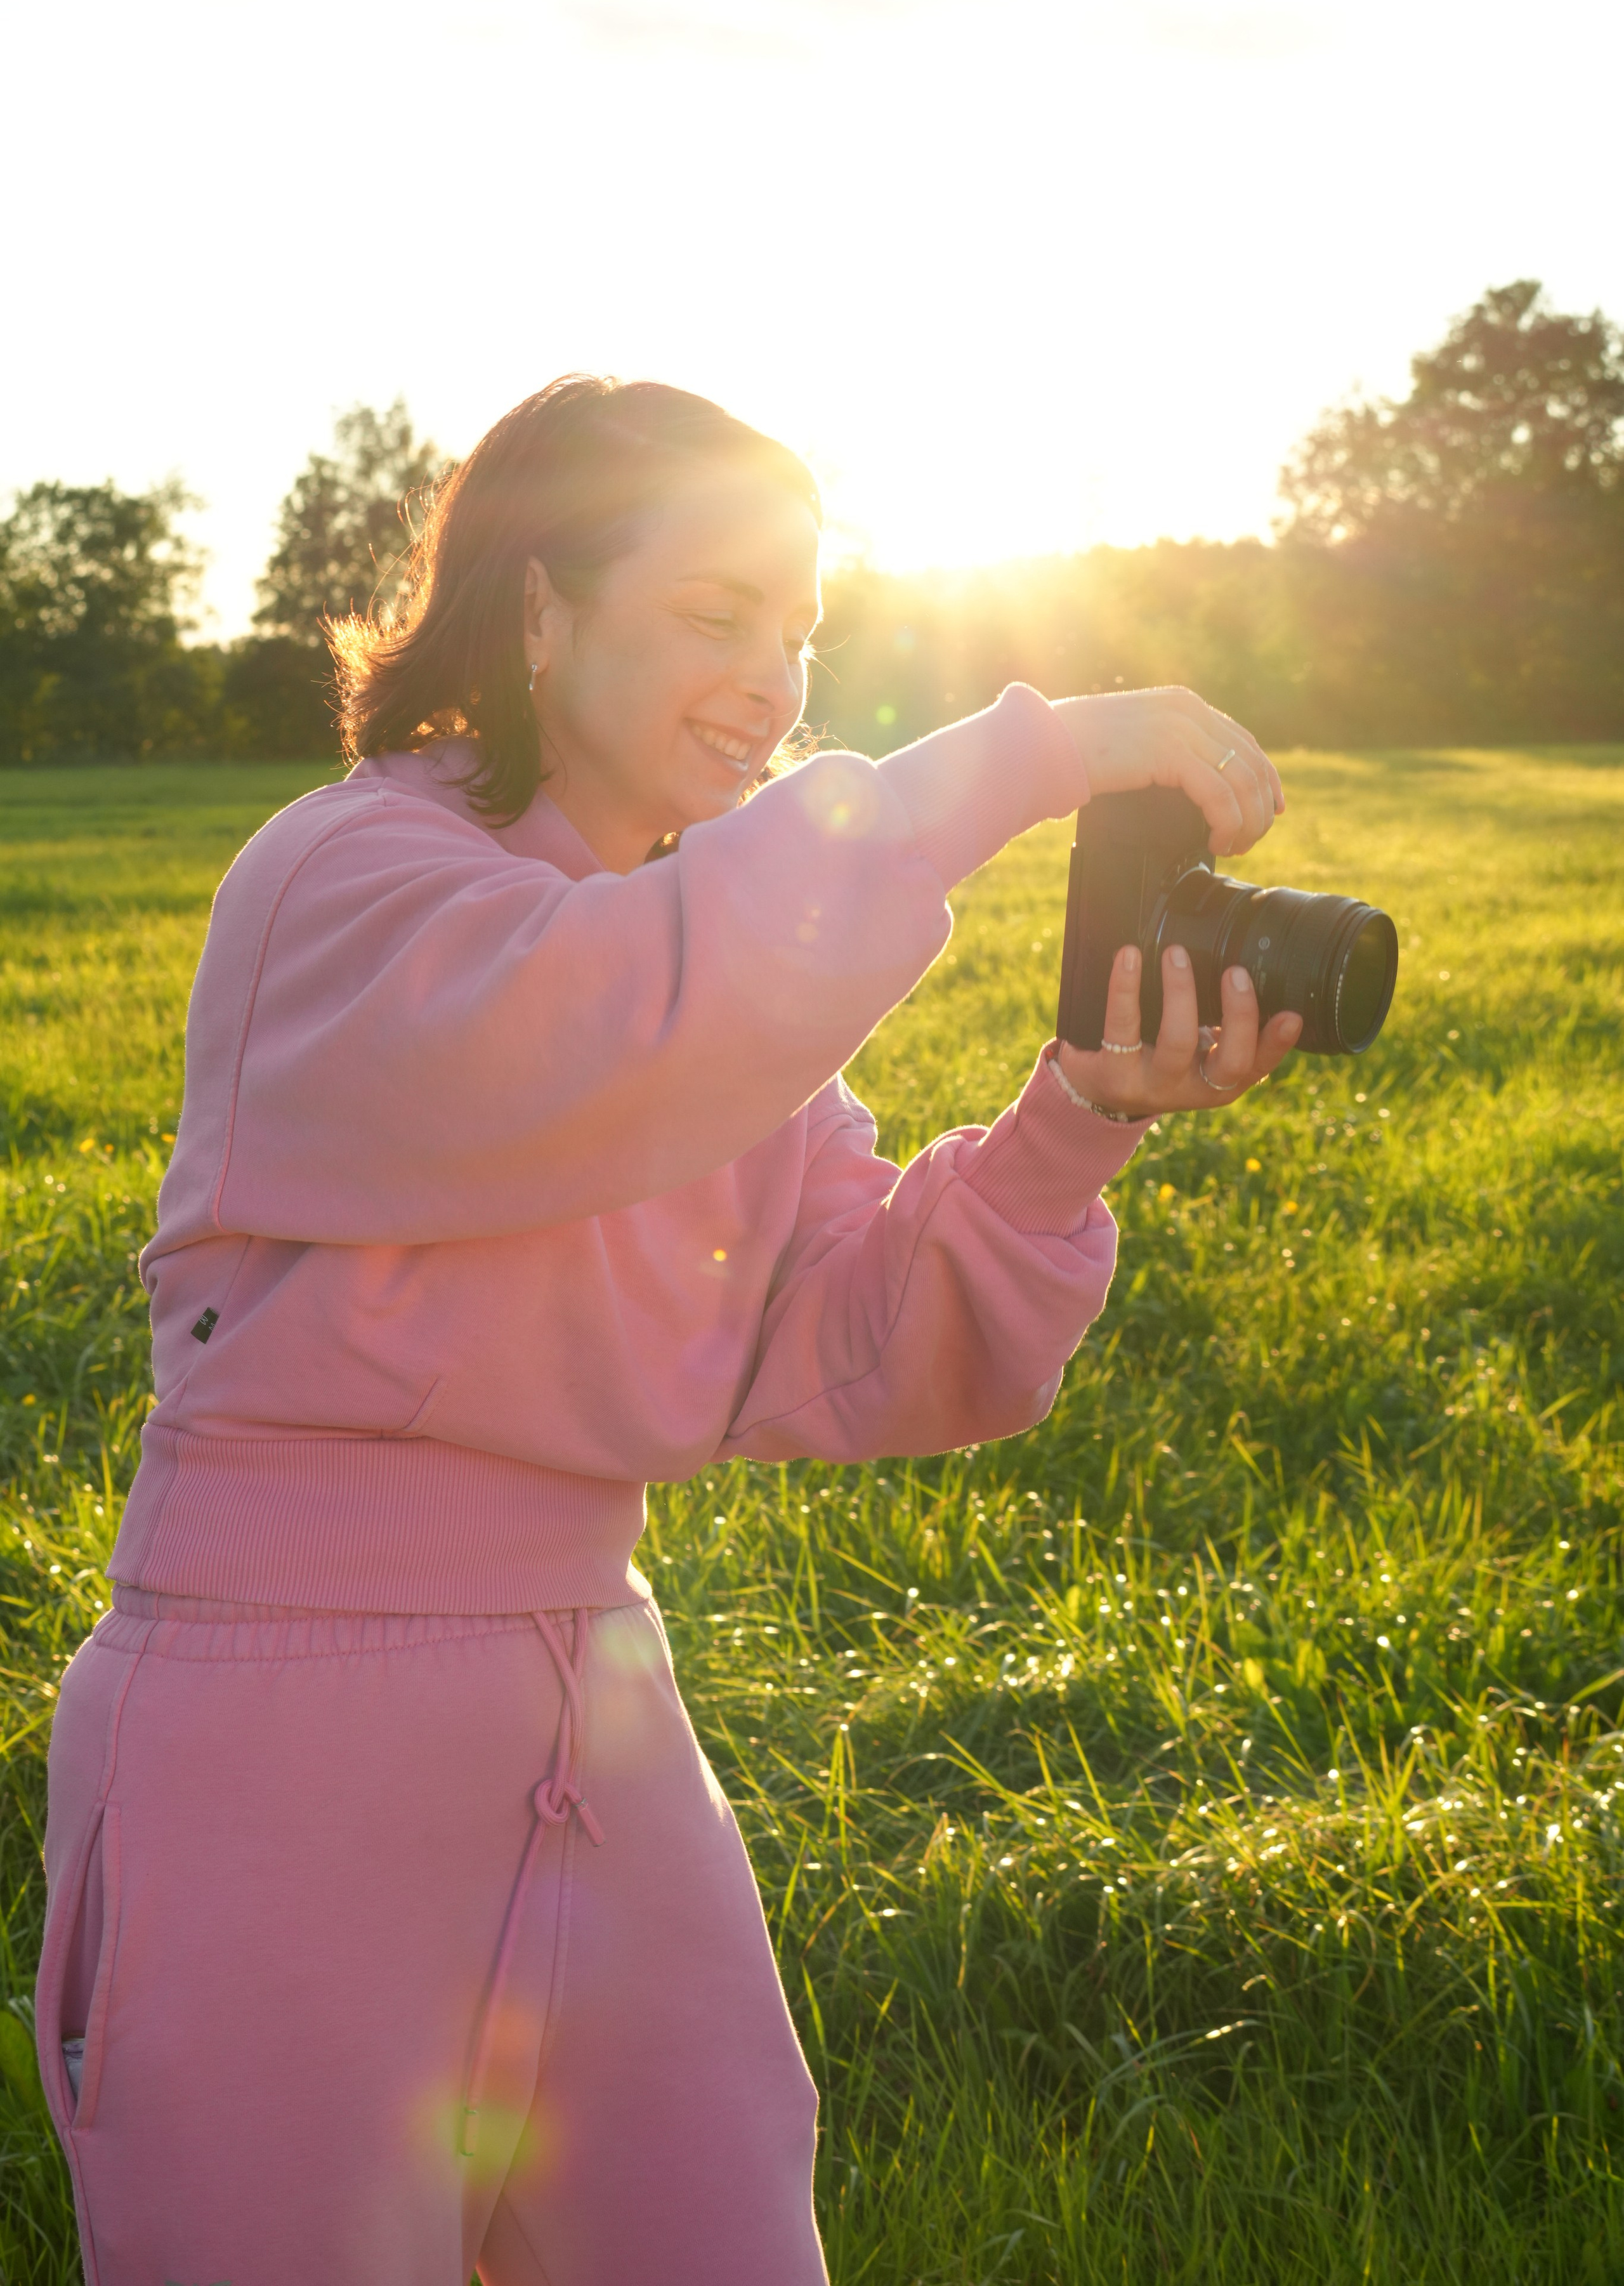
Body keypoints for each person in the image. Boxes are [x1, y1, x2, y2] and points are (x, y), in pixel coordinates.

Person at [36, 377, 1299, 2285]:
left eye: (800, 629)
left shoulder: (713, 981)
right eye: (717, 615)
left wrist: (1081, 1116)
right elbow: (606, 1027)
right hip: (272, 1732)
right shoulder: (352, 885)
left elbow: (847, 1341)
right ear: (535, 615)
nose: (773, 679)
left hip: (602, 1717)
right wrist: (1024, 757)